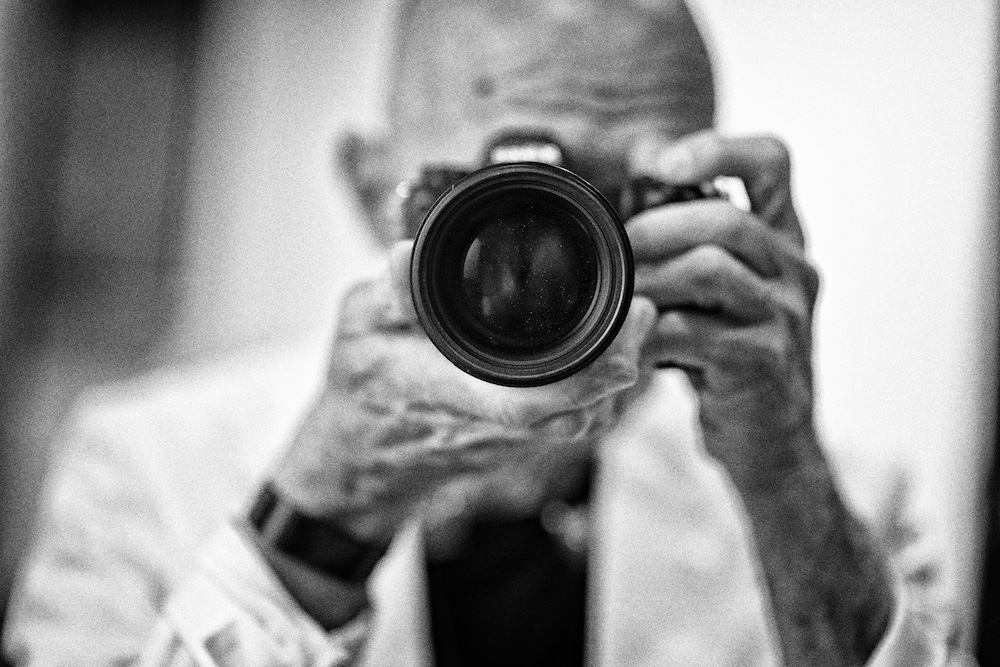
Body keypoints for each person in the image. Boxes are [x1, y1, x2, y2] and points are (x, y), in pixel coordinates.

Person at [1, 0, 967, 665]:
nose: (571, 264)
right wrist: (314, 519)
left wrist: (785, 478)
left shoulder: (847, 508)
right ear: (375, 189)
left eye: (630, 201)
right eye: (514, 199)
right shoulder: (142, 466)